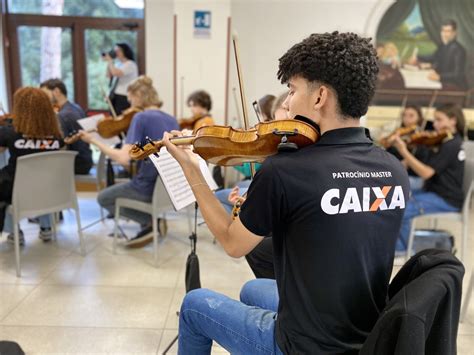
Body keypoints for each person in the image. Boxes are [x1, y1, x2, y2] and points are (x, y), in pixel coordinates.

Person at [163, 32, 410, 354]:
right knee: (254, 289)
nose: (289, 103)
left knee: (195, 305)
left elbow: (233, 243)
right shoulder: (394, 169)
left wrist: (193, 171)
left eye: (292, 90)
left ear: (320, 97)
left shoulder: (287, 171)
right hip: (366, 336)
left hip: (304, 345)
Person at [79, 76, 179, 247]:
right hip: (166, 189)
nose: (129, 103)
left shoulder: (141, 118)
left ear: (138, 95)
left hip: (145, 188)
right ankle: (150, 222)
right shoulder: (171, 119)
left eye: (130, 98)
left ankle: (149, 221)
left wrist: (93, 141)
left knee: (104, 198)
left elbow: (124, 159)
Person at [389, 103, 465, 253]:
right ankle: (398, 241)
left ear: (453, 121)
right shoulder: (444, 141)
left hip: (446, 199)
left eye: (439, 120)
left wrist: (404, 151)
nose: (435, 124)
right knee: (395, 200)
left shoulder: (451, 145)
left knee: (401, 209)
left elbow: (426, 173)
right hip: (434, 192)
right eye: (435, 120)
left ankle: (403, 248)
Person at [0, 87, 65, 245]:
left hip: (17, 191)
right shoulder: (57, 136)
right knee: (40, 180)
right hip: (49, 189)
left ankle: (14, 232)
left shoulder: (10, 133)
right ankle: (46, 227)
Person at [40, 78, 93, 175]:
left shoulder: (64, 115)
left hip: (76, 164)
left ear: (56, 91)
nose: (44, 98)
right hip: (86, 159)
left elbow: (61, 146)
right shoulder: (75, 107)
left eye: (45, 94)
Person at [409, 19, 467, 90]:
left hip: (456, 88)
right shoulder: (443, 46)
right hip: (443, 83)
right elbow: (433, 57)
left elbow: (458, 75)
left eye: (448, 31)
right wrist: (418, 57)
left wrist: (439, 77)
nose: (444, 34)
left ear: (454, 33)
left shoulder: (459, 50)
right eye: (443, 30)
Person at [383, 105, 425, 190]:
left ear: (419, 118)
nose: (407, 119)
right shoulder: (398, 133)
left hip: (414, 177)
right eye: (404, 115)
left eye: (411, 116)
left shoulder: (421, 137)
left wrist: (406, 161)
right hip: (395, 174)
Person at [104, 43, 139, 115]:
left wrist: (110, 61)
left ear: (125, 51)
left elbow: (116, 73)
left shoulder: (130, 64)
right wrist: (109, 62)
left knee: (121, 119)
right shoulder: (117, 64)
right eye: (115, 50)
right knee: (113, 117)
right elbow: (108, 75)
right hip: (115, 95)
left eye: (118, 50)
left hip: (124, 96)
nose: (116, 52)